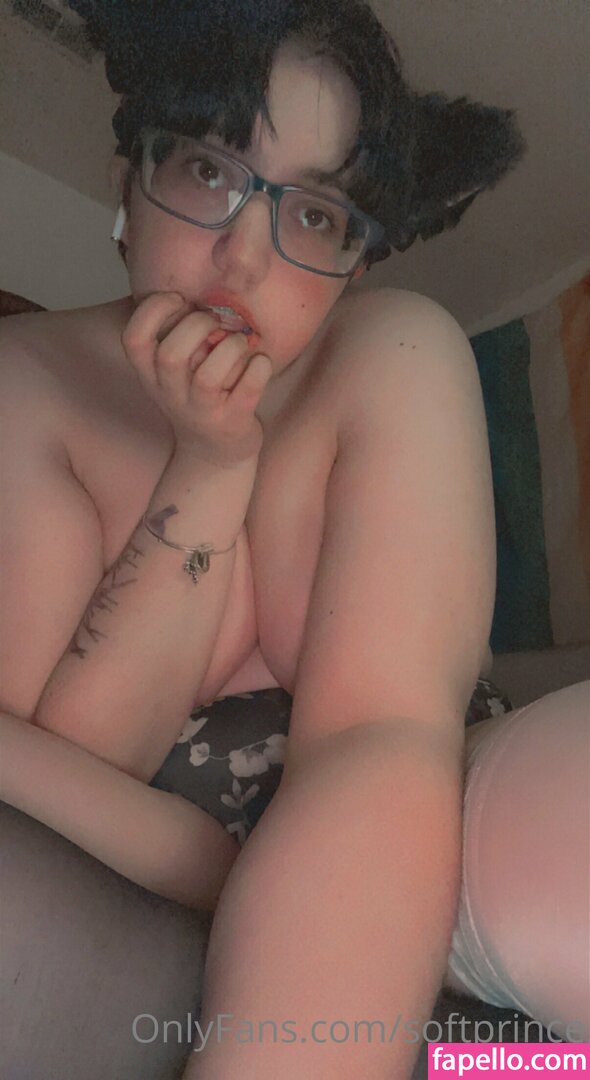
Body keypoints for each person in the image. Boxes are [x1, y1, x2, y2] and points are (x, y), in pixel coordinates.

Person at [0, 1, 588, 1076]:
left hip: (436, 875)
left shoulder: (389, 352)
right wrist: (210, 465)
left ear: (355, 262)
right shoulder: (25, 384)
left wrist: (215, 869)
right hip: (165, 935)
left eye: (313, 214)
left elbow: (383, 736)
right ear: (127, 178)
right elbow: (71, 785)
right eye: (209, 170)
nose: (243, 259)